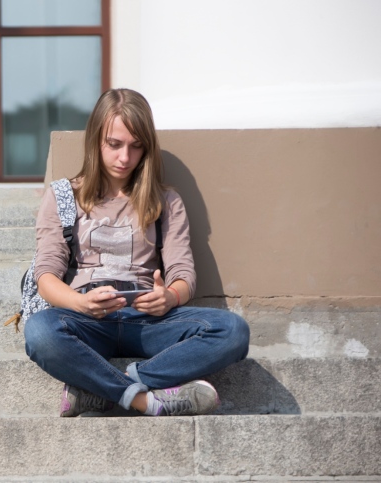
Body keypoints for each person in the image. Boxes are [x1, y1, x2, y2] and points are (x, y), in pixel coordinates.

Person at [24, 88, 250, 417]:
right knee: (40, 332)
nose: (125, 158)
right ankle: (144, 400)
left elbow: (184, 275)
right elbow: (46, 277)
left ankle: (105, 390)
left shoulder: (166, 200)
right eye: (114, 144)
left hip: (149, 324)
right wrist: (81, 303)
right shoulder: (63, 197)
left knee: (233, 331)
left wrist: (169, 298)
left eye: (136, 146)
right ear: (95, 141)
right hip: (88, 321)